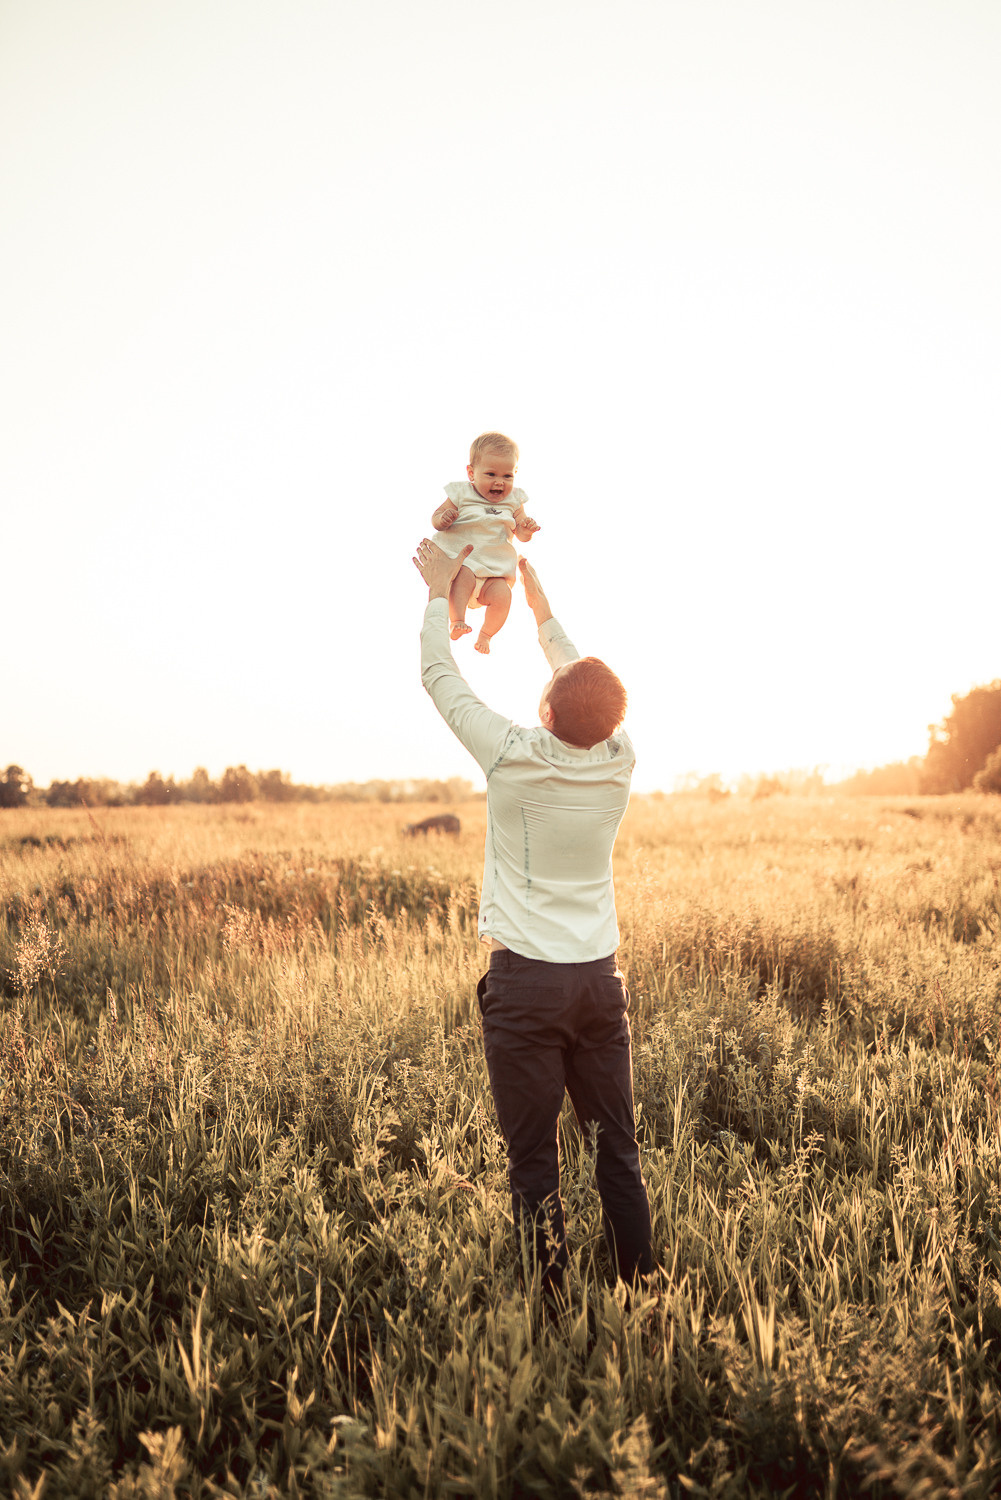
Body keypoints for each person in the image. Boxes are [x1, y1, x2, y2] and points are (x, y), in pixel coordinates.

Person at [412, 537, 653, 1300]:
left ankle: (550, 1307)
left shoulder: (511, 753)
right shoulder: (618, 755)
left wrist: (437, 592)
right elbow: (588, 692)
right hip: (599, 985)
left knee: (534, 1161)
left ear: (545, 710)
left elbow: (439, 676)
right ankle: (640, 1288)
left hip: (524, 988)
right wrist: (543, 612)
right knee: (617, 1150)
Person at [431, 431, 541, 654]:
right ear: (471, 473)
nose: (499, 482)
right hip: (465, 563)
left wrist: (526, 530)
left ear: (515, 473)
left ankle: (486, 634)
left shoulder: (514, 500)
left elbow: (521, 534)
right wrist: (443, 519)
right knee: (463, 576)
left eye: (507, 476)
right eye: (491, 474)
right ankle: (457, 620)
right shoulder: (461, 493)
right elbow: (436, 518)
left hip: (495, 572)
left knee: (504, 595)